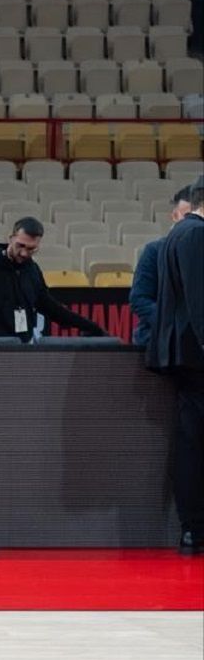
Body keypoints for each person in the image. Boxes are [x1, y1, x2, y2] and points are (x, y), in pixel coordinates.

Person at [144, 176, 204, 555]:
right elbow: (199, 299)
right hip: (197, 356)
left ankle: (192, 529)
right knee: (192, 445)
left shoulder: (177, 235)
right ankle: (194, 528)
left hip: (186, 354)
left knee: (191, 441)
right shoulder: (195, 234)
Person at [0, 218, 106, 341]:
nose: (24, 253)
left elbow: (51, 307)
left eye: (31, 249)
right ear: (11, 238)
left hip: (22, 349)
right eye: (20, 246)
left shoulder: (33, 270)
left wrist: (89, 326)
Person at [130, 186, 199, 345]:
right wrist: (174, 324)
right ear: (174, 216)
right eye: (186, 216)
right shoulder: (154, 251)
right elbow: (139, 299)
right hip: (160, 340)